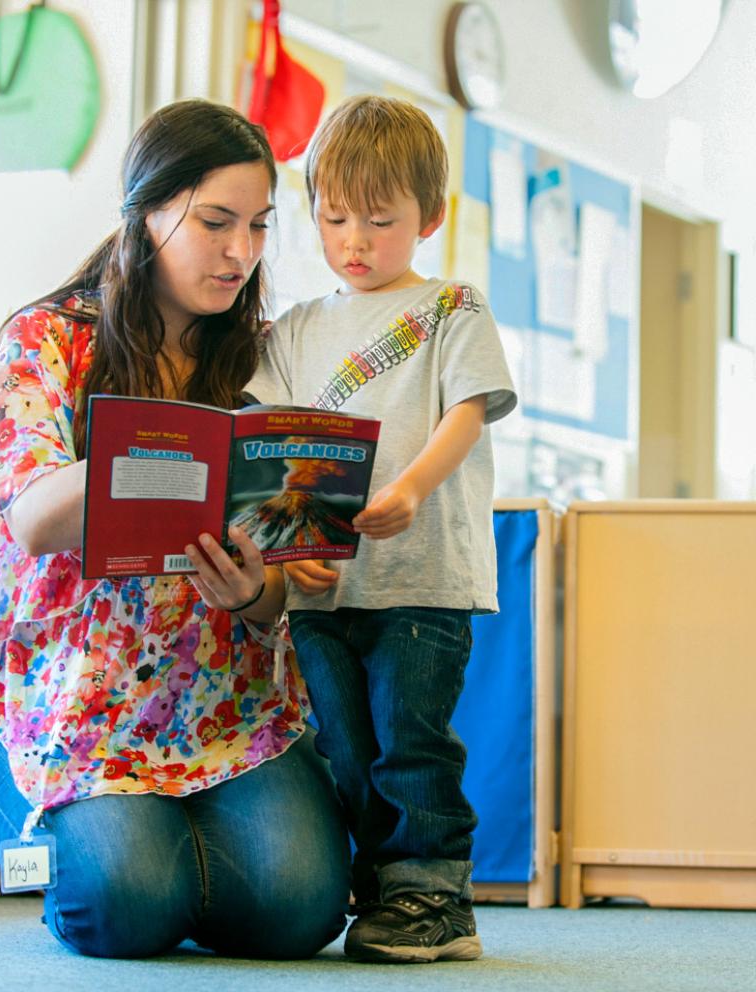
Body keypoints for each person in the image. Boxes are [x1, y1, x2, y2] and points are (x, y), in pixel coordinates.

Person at [0, 99, 351, 960]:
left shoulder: (258, 358)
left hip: (214, 712)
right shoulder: (48, 338)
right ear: (147, 212)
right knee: (121, 907)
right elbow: (32, 517)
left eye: (258, 227)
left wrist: (255, 591)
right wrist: (158, 443)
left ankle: (177, 858)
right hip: (60, 705)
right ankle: (114, 852)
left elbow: (276, 591)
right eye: (214, 223)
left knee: (303, 910)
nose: (240, 252)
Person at [248, 95, 517, 963]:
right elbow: (271, 445)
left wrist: (409, 487)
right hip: (324, 587)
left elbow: (468, 413)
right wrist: (293, 550)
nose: (353, 241)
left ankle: (436, 898)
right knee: (346, 746)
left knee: (411, 738)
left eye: (378, 219)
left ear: (429, 217)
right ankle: (379, 892)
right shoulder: (294, 328)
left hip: (425, 577)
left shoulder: (452, 306)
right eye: (333, 218)